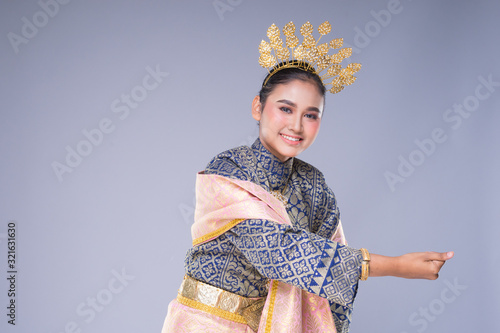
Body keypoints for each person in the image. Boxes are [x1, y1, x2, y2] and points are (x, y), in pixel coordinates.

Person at [161, 21, 453, 333]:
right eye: (285, 109)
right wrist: (394, 266)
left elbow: (328, 291)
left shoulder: (314, 186)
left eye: (310, 115)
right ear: (258, 107)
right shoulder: (231, 170)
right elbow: (280, 253)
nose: (297, 126)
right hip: (205, 324)